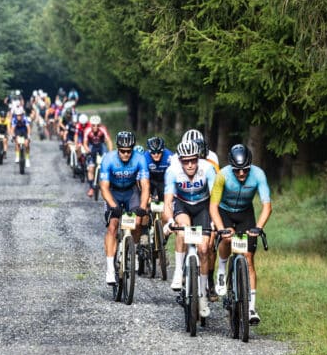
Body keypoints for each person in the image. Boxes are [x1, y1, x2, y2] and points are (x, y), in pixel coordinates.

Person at [210, 144, 272, 325]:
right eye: (238, 171)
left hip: (245, 213)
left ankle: (251, 308)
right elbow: (213, 206)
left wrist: (258, 228)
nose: (242, 174)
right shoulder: (222, 175)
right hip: (225, 212)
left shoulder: (258, 174)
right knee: (227, 238)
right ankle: (221, 270)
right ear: (231, 167)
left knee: (248, 257)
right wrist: (221, 228)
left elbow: (267, 206)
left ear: (250, 166)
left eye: (245, 170)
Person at [162, 139, 223, 318]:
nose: (190, 164)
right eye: (185, 161)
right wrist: (169, 221)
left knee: (204, 249)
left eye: (193, 160)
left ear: (198, 158)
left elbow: (215, 199)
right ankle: (179, 270)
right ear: (180, 160)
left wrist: (214, 224)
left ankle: (203, 295)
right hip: (182, 205)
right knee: (183, 228)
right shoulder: (172, 171)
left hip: (203, 206)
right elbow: (167, 203)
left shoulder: (207, 169)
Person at [100, 131, 151, 285]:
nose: (126, 154)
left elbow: (145, 185)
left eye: (129, 151)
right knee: (113, 226)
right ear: (118, 149)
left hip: (131, 192)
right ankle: (110, 269)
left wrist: (142, 207)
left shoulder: (140, 159)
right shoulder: (108, 159)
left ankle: (132, 249)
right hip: (113, 193)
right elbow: (103, 187)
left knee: (136, 223)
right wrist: (114, 206)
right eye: (122, 151)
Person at [84, 115, 113, 197]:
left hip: (101, 146)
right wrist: (87, 150)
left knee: (107, 163)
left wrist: (110, 153)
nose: (95, 127)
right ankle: (91, 188)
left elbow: (109, 141)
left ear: (100, 125)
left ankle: (109, 184)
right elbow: (85, 143)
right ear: (91, 125)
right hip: (92, 146)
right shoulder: (87, 130)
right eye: (93, 125)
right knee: (91, 168)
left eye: (97, 125)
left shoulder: (103, 129)